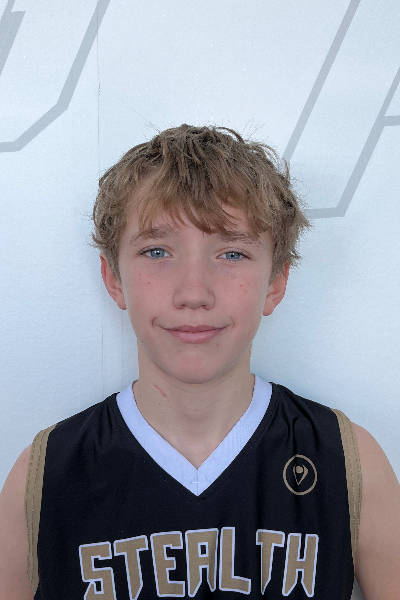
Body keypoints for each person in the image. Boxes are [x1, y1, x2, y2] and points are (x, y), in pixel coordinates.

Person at [0, 125, 399, 600]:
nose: (193, 293)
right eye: (156, 251)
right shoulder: (44, 476)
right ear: (114, 278)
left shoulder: (349, 463)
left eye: (232, 253)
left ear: (275, 282)